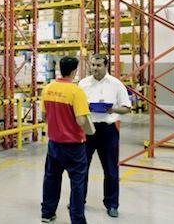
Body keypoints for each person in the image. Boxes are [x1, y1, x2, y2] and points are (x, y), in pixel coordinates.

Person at [41, 57, 95, 224]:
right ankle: (77, 220)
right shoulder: (76, 91)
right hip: (74, 145)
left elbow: (44, 116)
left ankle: (47, 213)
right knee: (77, 183)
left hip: (54, 143)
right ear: (74, 71)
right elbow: (81, 120)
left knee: (51, 178)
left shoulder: (48, 88)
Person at [79, 54, 133, 218]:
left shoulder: (116, 84)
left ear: (106, 66)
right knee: (81, 169)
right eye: (93, 65)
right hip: (88, 129)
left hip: (108, 131)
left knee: (111, 170)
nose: (95, 68)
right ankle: (79, 201)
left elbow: (127, 108)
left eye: (98, 65)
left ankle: (112, 204)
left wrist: (112, 110)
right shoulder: (83, 84)